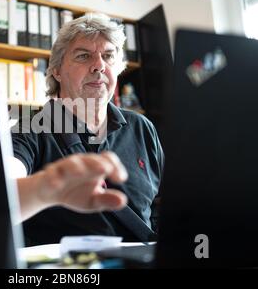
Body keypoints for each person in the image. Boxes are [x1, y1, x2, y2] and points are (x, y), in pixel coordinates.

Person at [12, 13, 164, 246]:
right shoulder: (28, 127)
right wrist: (47, 188)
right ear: (57, 71)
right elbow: (0, 195)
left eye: (108, 56)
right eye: (83, 56)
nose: (99, 66)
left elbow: (162, 204)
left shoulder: (142, 127)